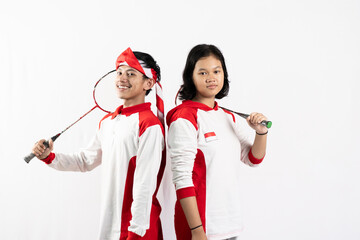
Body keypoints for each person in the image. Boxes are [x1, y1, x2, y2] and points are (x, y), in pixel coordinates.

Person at [32, 47, 165, 240]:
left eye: (131, 73)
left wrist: (136, 232)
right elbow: (85, 161)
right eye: (119, 72)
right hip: (110, 228)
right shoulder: (108, 121)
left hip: (137, 231)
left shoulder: (149, 124)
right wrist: (49, 157)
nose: (122, 78)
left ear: (148, 83)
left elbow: (145, 185)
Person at [166, 44, 269, 240]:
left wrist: (261, 133)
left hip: (230, 225)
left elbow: (253, 159)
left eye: (216, 71)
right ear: (191, 77)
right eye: (203, 72)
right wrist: (197, 231)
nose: (211, 77)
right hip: (202, 229)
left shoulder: (227, 116)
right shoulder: (185, 118)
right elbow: (181, 179)